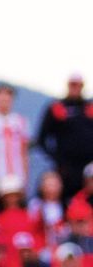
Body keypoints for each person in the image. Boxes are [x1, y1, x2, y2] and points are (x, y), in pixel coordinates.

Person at [36, 73, 93, 201]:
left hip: (88, 168)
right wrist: (57, 160)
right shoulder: (57, 108)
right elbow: (41, 139)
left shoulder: (90, 108)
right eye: (73, 84)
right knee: (62, 198)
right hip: (65, 168)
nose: (75, 88)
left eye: (78, 85)